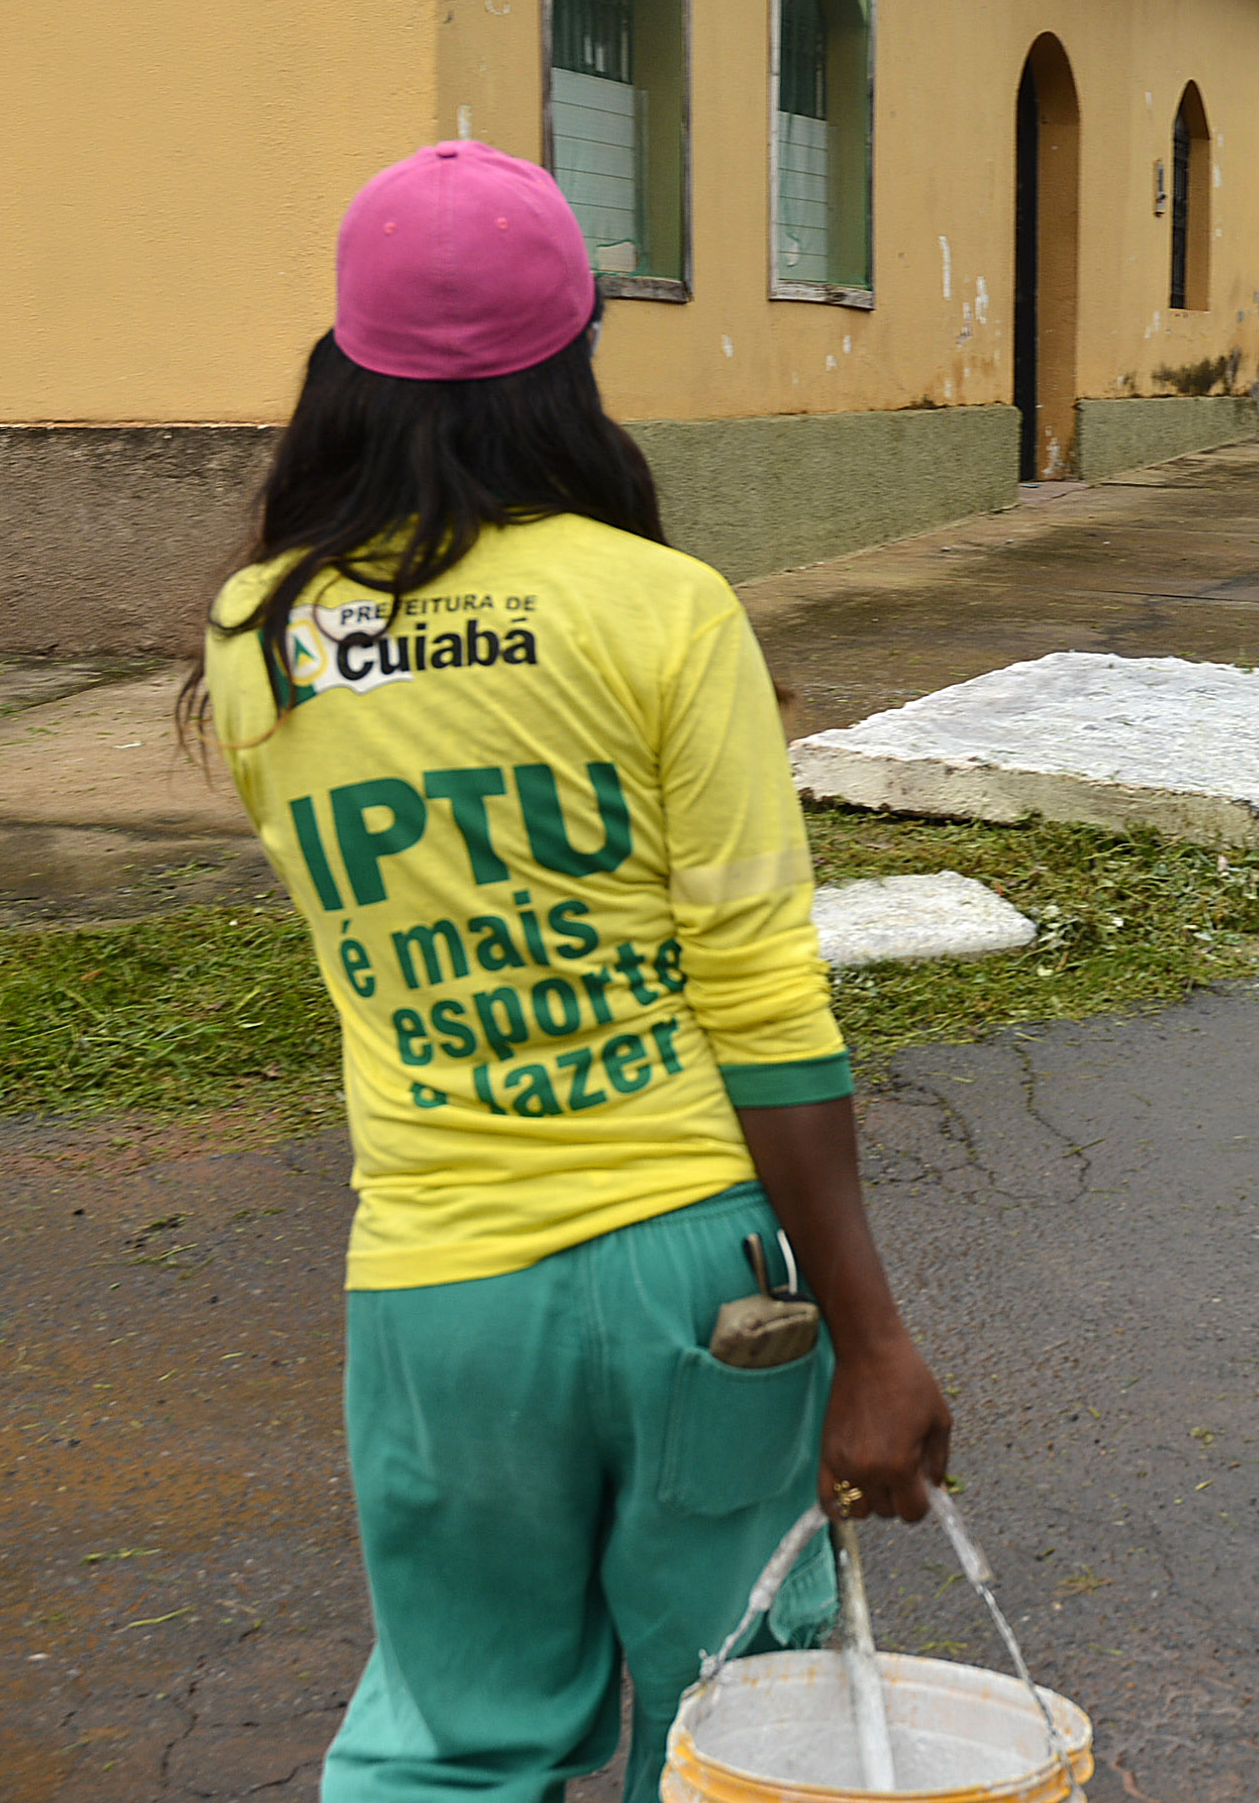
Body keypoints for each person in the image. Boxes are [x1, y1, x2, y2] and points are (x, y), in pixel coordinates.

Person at [182, 141, 952, 1803]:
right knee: (734, 1732)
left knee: (452, 1742)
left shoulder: (257, 636)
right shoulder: (663, 609)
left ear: (347, 360)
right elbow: (760, 992)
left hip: (437, 1285)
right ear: (571, 358)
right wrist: (873, 1337)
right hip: (699, 1282)